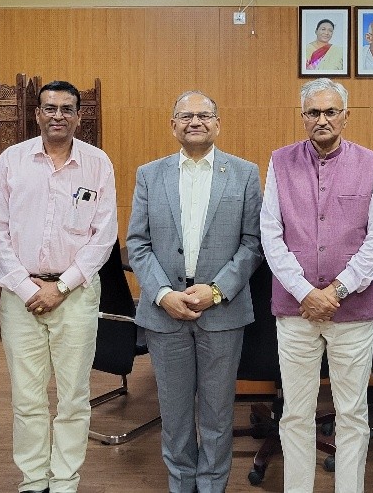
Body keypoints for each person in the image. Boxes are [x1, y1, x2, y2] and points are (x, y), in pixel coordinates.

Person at [126, 90, 263, 493]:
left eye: (204, 115)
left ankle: (212, 486)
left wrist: (216, 291)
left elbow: (253, 243)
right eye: (186, 116)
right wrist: (162, 294)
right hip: (164, 313)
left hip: (222, 312)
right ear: (173, 126)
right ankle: (182, 483)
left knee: (218, 414)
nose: (195, 122)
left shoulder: (244, 173)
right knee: (175, 414)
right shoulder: (150, 174)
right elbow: (137, 244)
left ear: (217, 123)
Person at [260, 77, 373, 493]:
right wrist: (305, 292)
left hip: (352, 313)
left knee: (351, 414)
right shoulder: (280, 162)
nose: (322, 119)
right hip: (295, 311)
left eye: (330, 111)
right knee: (296, 414)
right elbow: (270, 234)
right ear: (302, 117)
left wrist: (335, 292)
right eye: (313, 112)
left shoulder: (372, 164)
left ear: (345, 116)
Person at [0, 80, 118, 493]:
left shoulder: (97, 163)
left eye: (66, 109)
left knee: (73, 397)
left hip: (76, 295)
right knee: (27, 398)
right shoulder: (12, 160)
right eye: (49, 108)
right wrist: (28, 288)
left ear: (79, 116)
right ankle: (32, 480)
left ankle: (64, 481)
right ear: (37, 114)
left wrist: (60, 287)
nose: (57, 116)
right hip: (20, 296)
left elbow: (104, 236)